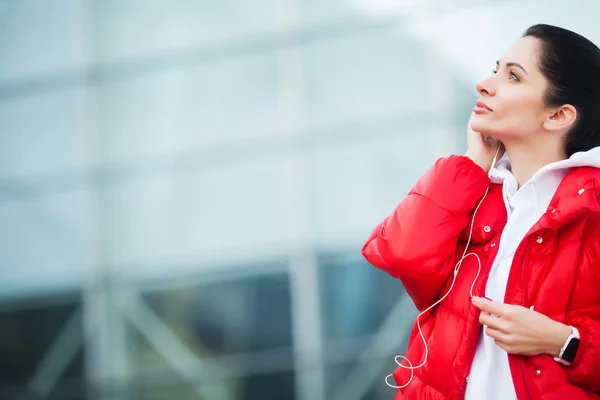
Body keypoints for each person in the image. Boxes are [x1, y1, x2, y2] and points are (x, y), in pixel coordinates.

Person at [362, 24, 600, 400]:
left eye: (513, 77)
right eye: (496, 68)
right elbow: (401, 255)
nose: (485, 84)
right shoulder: (472, 194)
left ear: (557, 116)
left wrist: (565, 342)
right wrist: (473, 162)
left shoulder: (592, 209)